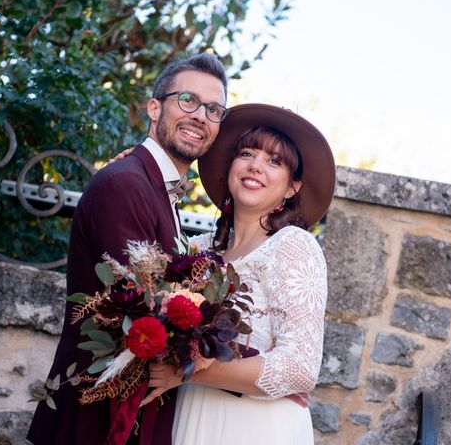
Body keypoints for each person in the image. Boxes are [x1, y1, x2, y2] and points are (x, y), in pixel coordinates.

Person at [27, 52, 228, 445]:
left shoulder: (154, 188)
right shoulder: (126, 183)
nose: (200, 116)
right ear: (155, 108)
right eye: (187, 100)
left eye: (214, 109)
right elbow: (143, 306)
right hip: (93, 420)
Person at [141, 103, 336, 444]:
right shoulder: (198, 250)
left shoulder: (292, 245)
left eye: (275, 161)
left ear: (292, 187)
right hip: (191, 417)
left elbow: (300, 368)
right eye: (246, 153)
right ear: (231, 167)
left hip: (257, 426)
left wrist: (188, 373)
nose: (256, 166)